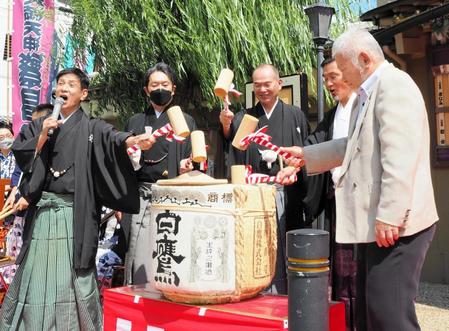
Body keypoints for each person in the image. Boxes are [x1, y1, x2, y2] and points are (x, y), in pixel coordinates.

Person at [278, 29, 438, 331]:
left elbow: (400, 156)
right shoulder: (368, 93)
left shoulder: (394, 86)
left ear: (363, 58)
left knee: (389, 314)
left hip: (398, 225)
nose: (339, 74)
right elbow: (353, 144)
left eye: (342, 66)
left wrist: (390, 214)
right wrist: (307, 155)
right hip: (381, 226)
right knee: (372, 312)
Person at [0, 67, 155, 330]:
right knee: (36, 274)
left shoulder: (91, 127)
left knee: (73, 275)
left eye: (71, 85)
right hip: (43, 213)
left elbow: (112, 136)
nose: (64, 89)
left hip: (75, 213)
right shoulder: (41, 124)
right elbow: (21, 152)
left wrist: (130, 139)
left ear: (83, 93)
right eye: (61, 83)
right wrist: (41, 136)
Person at [220, 63, 309, 294]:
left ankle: (289, 292)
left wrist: (284, 159)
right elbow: (234, 148)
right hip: (255, 194)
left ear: (279, 84)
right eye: (257, 85)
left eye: (267, 84)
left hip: (287, 192)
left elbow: (306, 151)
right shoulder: (245, 117)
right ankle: (257, 289)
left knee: (285, 247)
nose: (262, 89)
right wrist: (227, 124)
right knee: (257, 245)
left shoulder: (295, 115)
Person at [122, 62, 197, 285]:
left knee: (174, 251)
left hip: (175, 196)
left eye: (165, 84)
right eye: (154, 85)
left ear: (173, 88)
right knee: (140, 251)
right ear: (146, 90)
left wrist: (188, 166)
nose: (160, 89)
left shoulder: (186, 121)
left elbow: (195, 158)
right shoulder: (135, 121)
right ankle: (138, 295)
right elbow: (122, 163)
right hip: (143, 194)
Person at [305, 57, 358, 331]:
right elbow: (316, 143)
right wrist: (300, 158)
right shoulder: (334, 113)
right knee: (339, 270)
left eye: (332, 77)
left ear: (349, 73)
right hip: (337, 202)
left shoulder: (364, 107)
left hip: (360, 204)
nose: (328, 84)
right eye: (325, 79)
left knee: (357, 272)